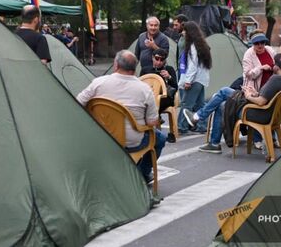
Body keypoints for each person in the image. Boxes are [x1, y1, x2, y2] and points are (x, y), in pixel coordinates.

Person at [77, 50, 166, 182]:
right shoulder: (144, 89)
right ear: (135, 69)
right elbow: (152, 122)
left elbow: (78, 103)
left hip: (102, 138)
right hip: (132, 142)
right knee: (161, 138)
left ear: (116, 65)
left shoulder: (98, 83)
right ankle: (141, 175)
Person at [186, 54, 281, 154]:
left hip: (258, 114)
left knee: (223, 92)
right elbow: (267, 98)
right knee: (222, 104)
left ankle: (199, 118)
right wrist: (255, 93)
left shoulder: (276, 79)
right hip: (268, 113)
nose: (272, 66)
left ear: (277, 67)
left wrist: (248, 96)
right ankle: (213, 141)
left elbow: (261, 101)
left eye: (274, 64)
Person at [176, 21, 212, 134]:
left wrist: (188, 81)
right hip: (202, 79)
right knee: (200, 104)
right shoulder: (202, 45)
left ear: (189, 32)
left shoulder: (192, 46)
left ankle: (181, 127)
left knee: (187, 104)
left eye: (184, 30)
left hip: (195, 79)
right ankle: (202, 126)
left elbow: (192, 65)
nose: (183, 33)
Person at [139, 48, 177, 113]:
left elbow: (175, 87)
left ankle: (155, 119)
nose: (159, 62)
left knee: (156, 102)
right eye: (157, 59)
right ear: (152, 58)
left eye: (162, 60)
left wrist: (169, 77)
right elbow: (139, 86)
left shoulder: (169, 69)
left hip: (164, 97)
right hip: (148, 96)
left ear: (165, 60)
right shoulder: (145, 70)